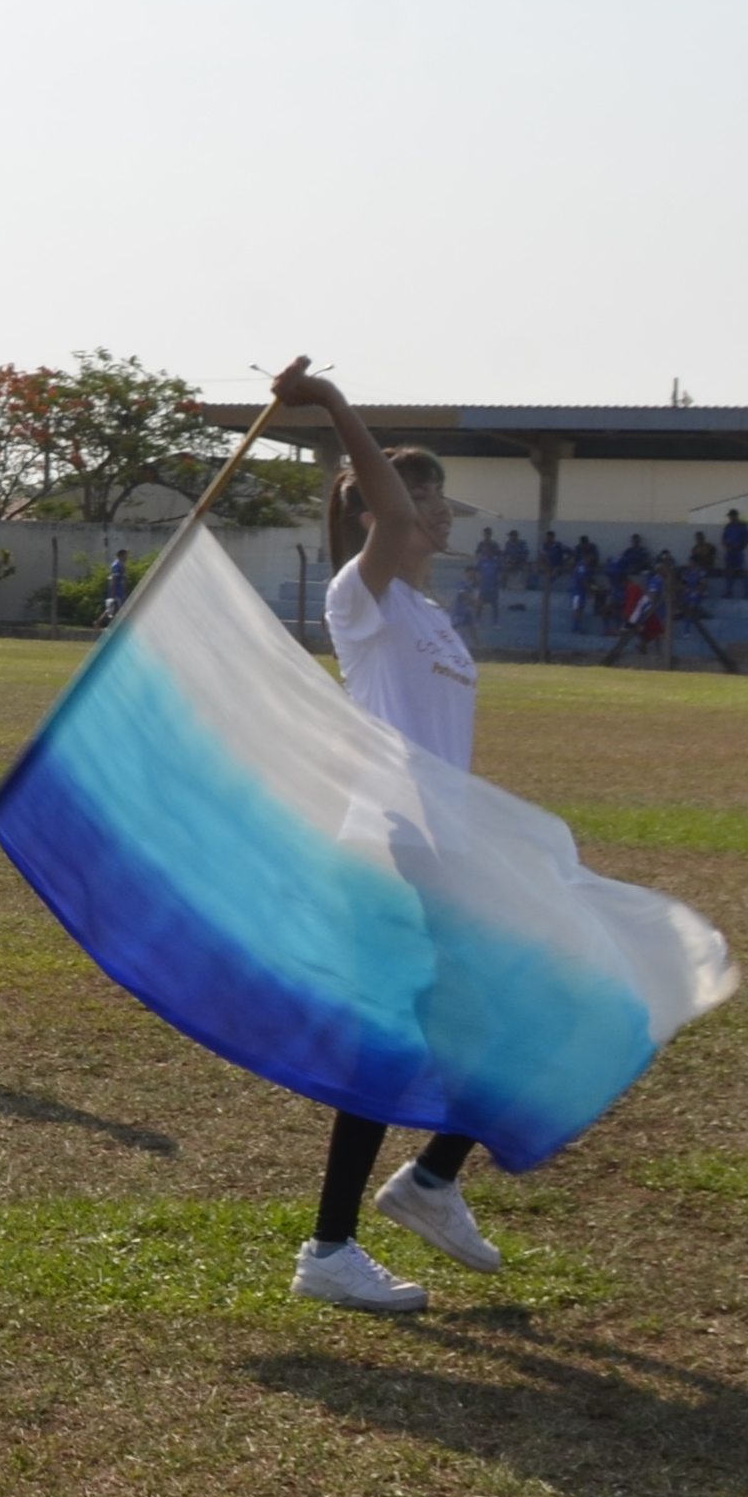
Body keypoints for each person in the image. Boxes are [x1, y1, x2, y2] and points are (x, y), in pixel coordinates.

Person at [266, 358, 505, 1315]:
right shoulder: (358, 604)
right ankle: (335, 1244)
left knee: (483, 1022)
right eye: (421, 501)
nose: (438, 518)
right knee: (403, 1035)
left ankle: (430, 1184)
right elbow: (392, 519)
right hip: (391, 844)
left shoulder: (433, 615)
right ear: (377, 509)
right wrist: (329, 406)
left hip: (440, 843)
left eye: (443, 502)